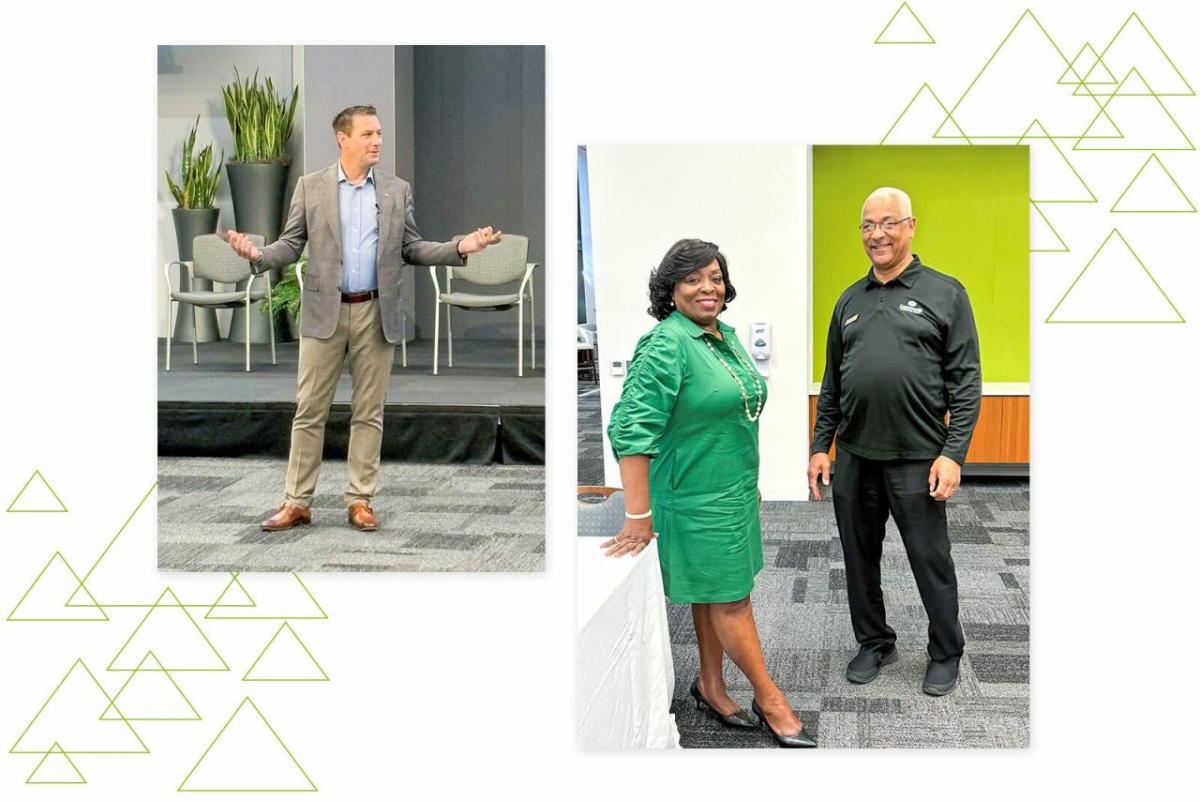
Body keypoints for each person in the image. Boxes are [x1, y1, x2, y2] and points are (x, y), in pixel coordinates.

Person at [225, 104, 501, 532]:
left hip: (376, 311)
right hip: (324, 314)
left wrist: (461, 247)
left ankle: (360, 499)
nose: (377, 141)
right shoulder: (310, 186)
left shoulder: (395, 189)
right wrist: (259, 255)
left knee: (368, 412)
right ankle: (296, 501)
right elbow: (290, 243)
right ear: (344, 139)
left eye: (379, 134)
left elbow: (412, 248)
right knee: (309, 411)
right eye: (368, 134)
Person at [603, 239, 816, 748]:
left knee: (712, 592)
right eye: (693, 279)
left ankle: (712, 685)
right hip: (693, 499)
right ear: (670, 289)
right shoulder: (666, 344)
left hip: (733, 489)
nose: (708, 288)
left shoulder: (721, 335)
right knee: (732, 600)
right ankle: (771, 699)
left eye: (715, 277)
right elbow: (630, 430)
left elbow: (733, 411)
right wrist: (637, 514)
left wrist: (747, 477)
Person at [808, 187, 981, 696]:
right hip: (857, 456)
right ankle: (874, 641)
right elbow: (834, 380)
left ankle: (946, 650)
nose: (876, 234)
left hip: (918, 458)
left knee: (930, 560)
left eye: (887, 223)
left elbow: (966, 382)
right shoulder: (849, 300)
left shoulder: (946, 292)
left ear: (910, 226)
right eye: (866, 225)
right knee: (859, 558)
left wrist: (953, 454)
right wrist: (822, 445)